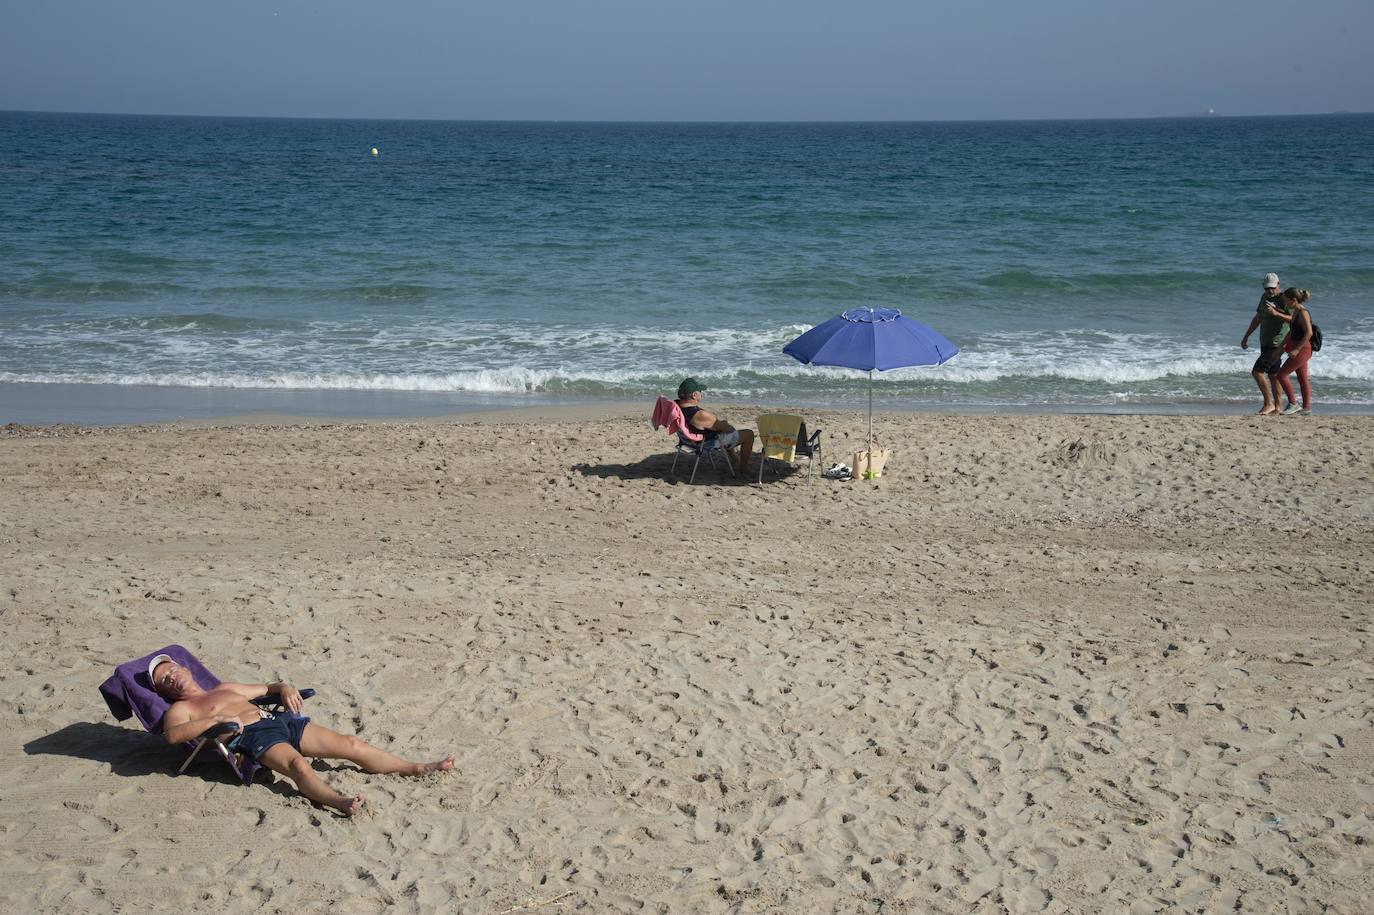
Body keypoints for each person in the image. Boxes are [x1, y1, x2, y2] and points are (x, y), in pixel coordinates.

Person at [150, 654, 453, 817]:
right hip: (253, 737)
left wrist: (284, 688)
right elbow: (173, 736)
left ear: (184, 668)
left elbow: (269, 689)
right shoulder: (181, 709)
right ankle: (340, 802)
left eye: (173, 669)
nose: (172, 677)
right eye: (164, 679)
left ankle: (415, 767)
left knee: (351, 744)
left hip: (278, 720)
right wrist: (215, 718)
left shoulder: (225, 688)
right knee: (299, 767)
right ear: (162, 690)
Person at [675, 377, 755, 474]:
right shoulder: (699, 415)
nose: (701, 393)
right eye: (700, 391)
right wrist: (723, 424)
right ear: (694, 395)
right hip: (705, 443)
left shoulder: (677, 407)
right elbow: (730, 430)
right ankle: (743, 467)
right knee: (748, 434)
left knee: (721, 426)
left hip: (687, 440)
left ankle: (734, 458)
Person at [1240, 272, 1294, 416]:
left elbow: (1292, 319)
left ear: (1278, 284)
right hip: (1265, 341)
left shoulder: (1284, 299)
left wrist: (1276, 313)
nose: (1269, 291)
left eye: (1272, 288)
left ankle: (1268, 404)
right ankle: (1278, 407)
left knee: (1257, 372)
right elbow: (1258, 317)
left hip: (1278, 343)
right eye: (1266, 288)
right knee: (1273, 374)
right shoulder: (1264, 297)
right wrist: (1246, 336)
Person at [1270, 287, 1315, 415]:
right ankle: (1306, 409)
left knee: (1281, 375)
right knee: (1302, 378)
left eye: (1286, 301)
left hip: (1303, 349)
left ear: (1294, 300)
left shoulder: (1303, 313)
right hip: (1298, 348)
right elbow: (1291, 332)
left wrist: (1296, 350)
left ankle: (1293, 404)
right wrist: (1281, 346)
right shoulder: (1295, 312)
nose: (1285, 303)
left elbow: (1309, 333)